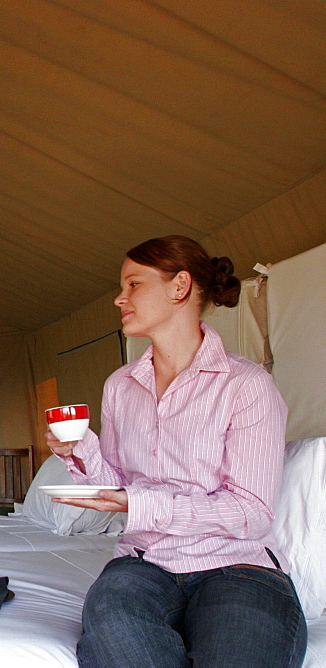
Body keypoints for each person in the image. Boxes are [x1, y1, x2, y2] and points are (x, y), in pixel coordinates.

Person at [47, 235, 307, 667]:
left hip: (237, 567)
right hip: (142, 565)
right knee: (116, 634)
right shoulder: (120, 385)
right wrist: (80, 450)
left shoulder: (246, 386)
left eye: (133, 285)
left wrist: (141, 503)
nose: (119, 298)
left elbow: (251, 512)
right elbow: (117, 490)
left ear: (180, 287)